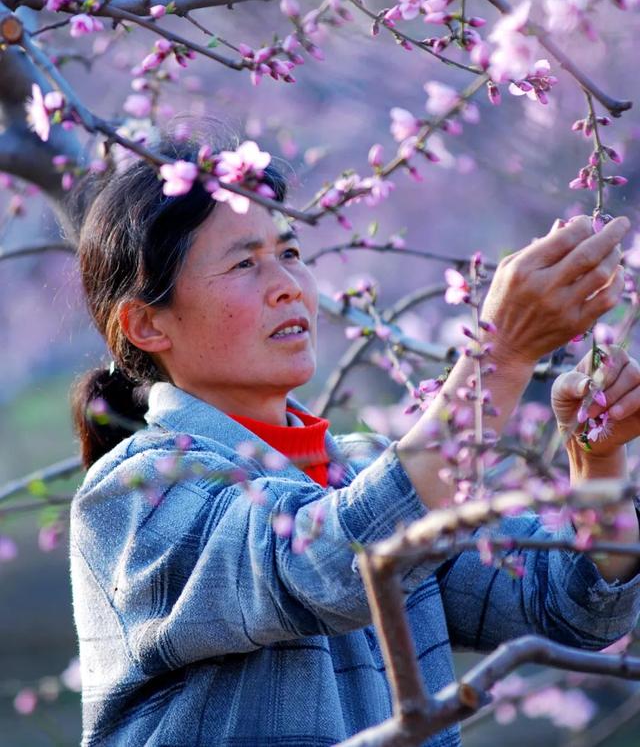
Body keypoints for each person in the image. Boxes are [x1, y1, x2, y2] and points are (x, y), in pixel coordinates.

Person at [69, 139, 640, 747]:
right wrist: (498, 357)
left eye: (290, 252)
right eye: (244, 264)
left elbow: (571, 608)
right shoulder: (137, 491)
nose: (288, 284)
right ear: (147, 324)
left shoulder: (357, 471)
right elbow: (332, 566)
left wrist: (597, 458)